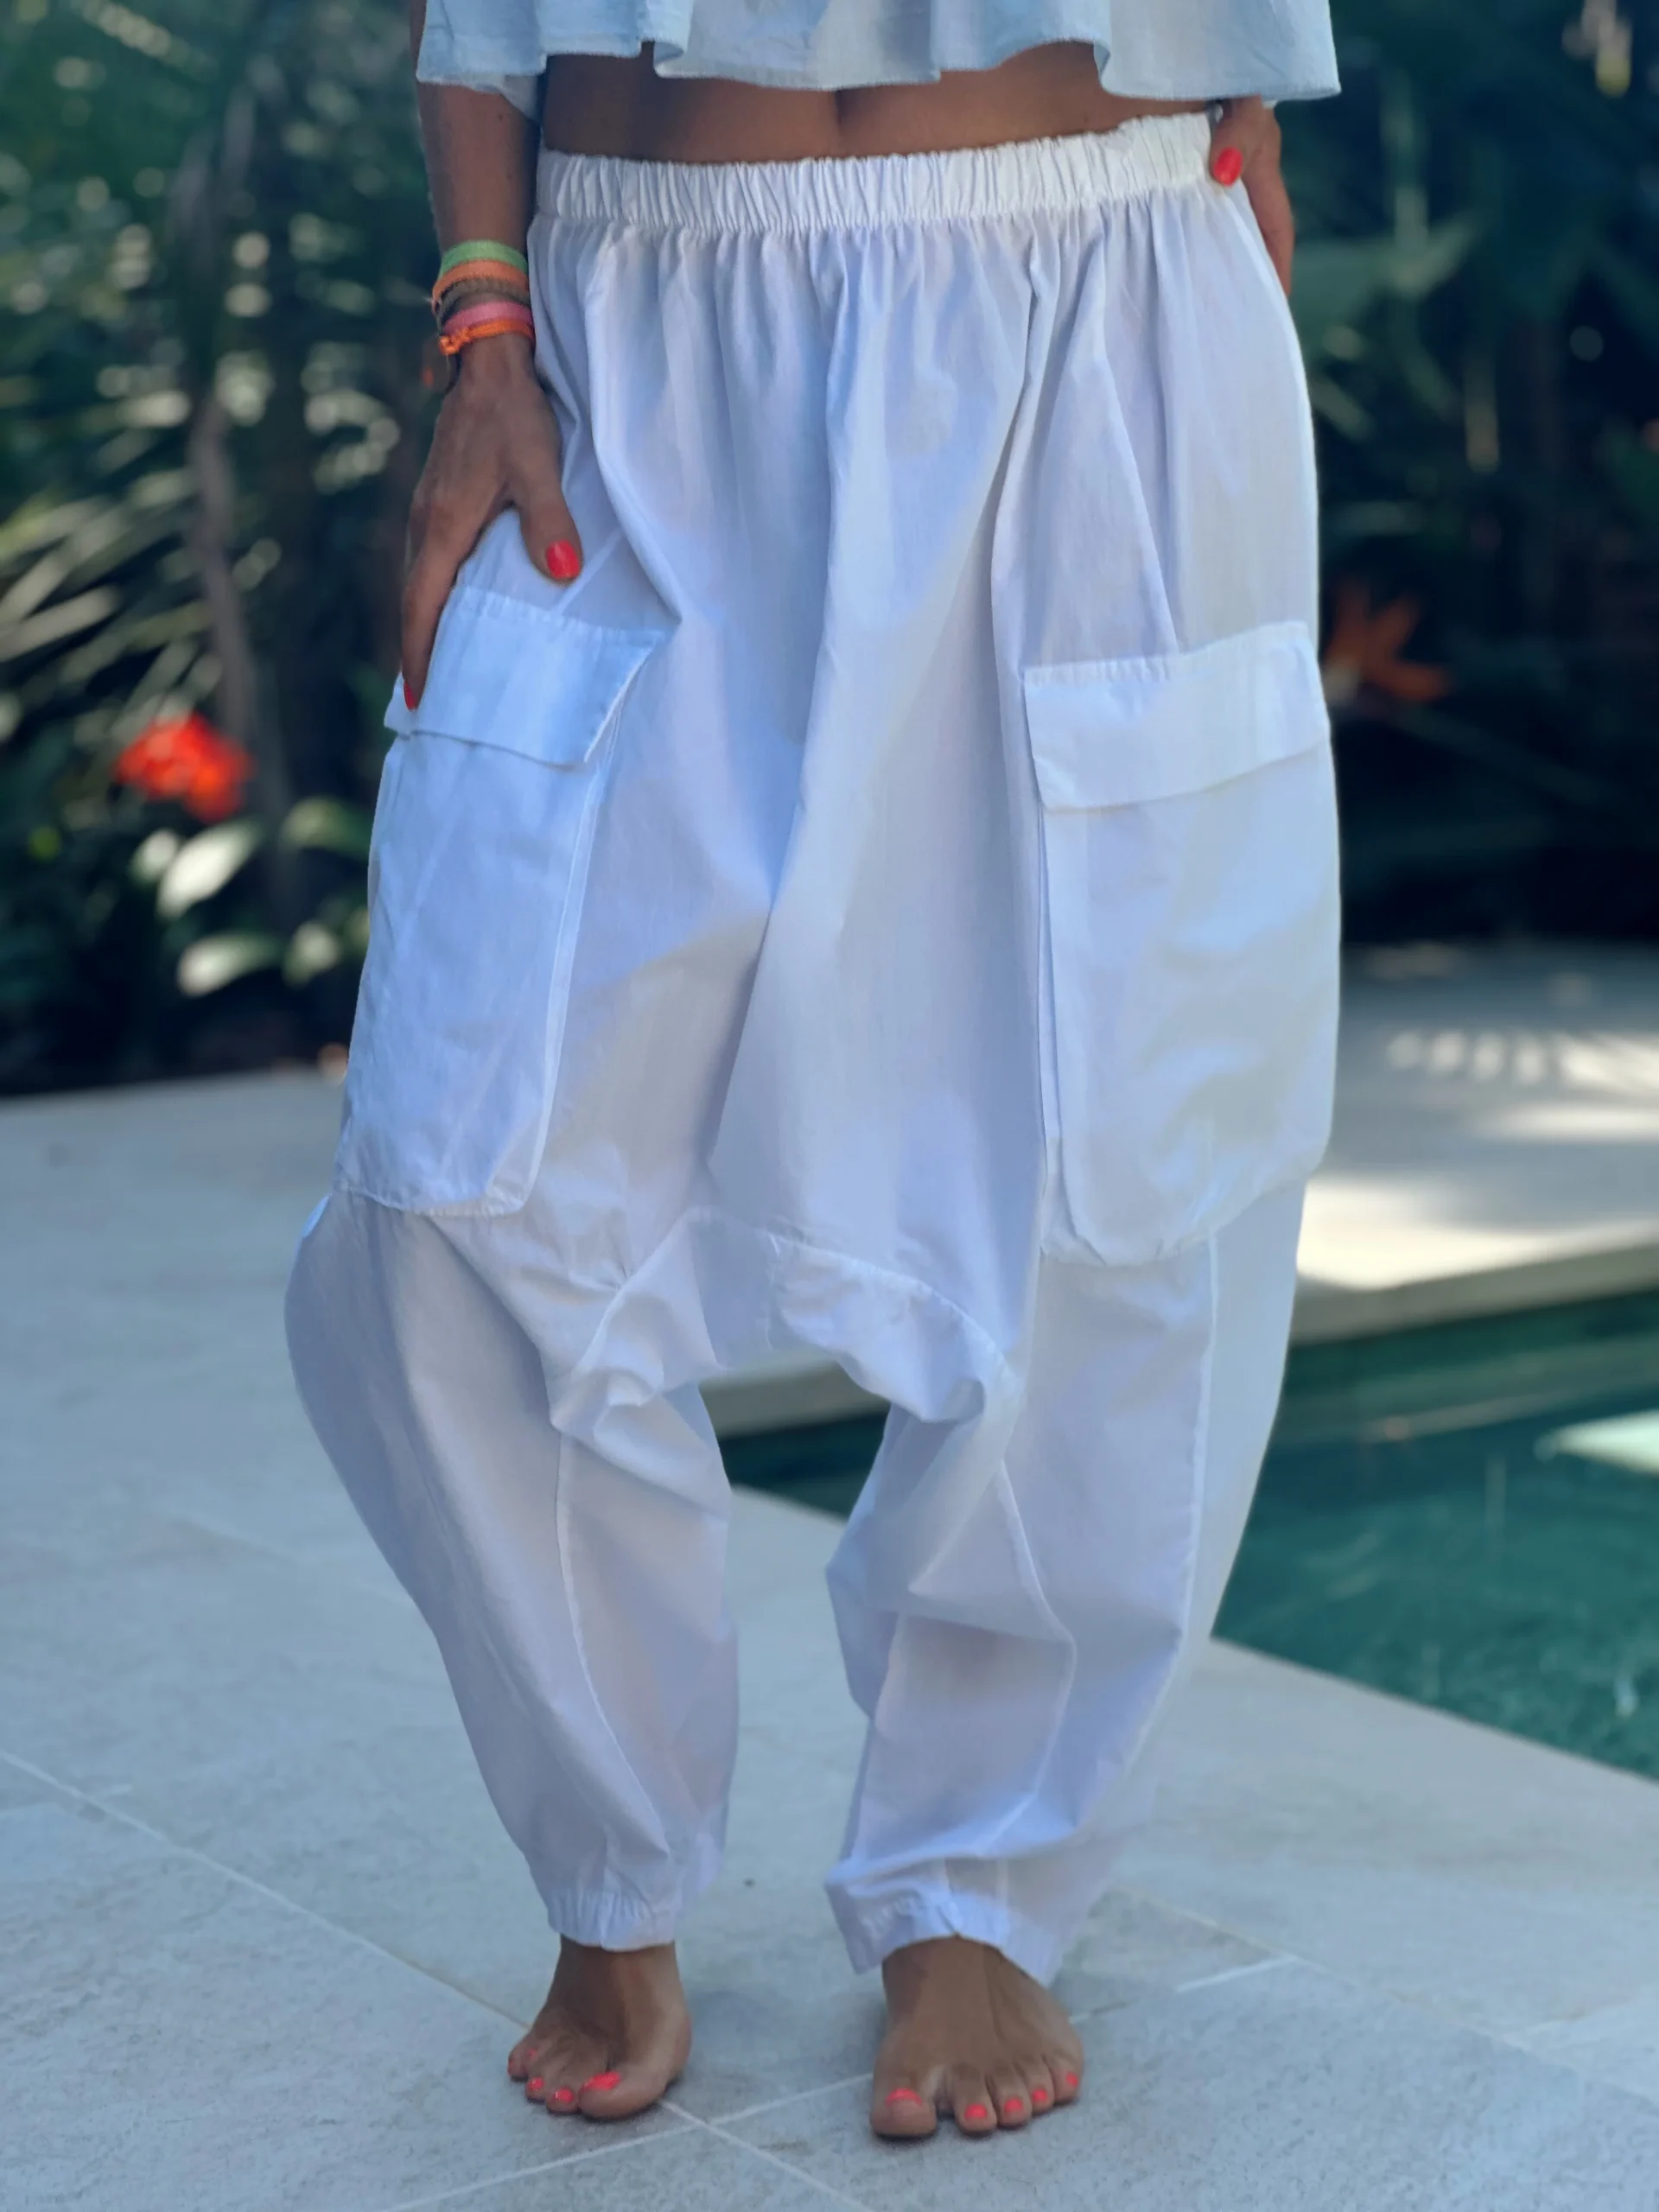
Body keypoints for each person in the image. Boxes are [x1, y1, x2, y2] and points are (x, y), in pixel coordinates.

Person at [286, 0, 1341, 2144]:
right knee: (449, 1181)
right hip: (631, 325)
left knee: (1127, 1155)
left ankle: (979, 1877)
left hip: (1099, 286)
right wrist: (481, 314)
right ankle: (609, 1843)